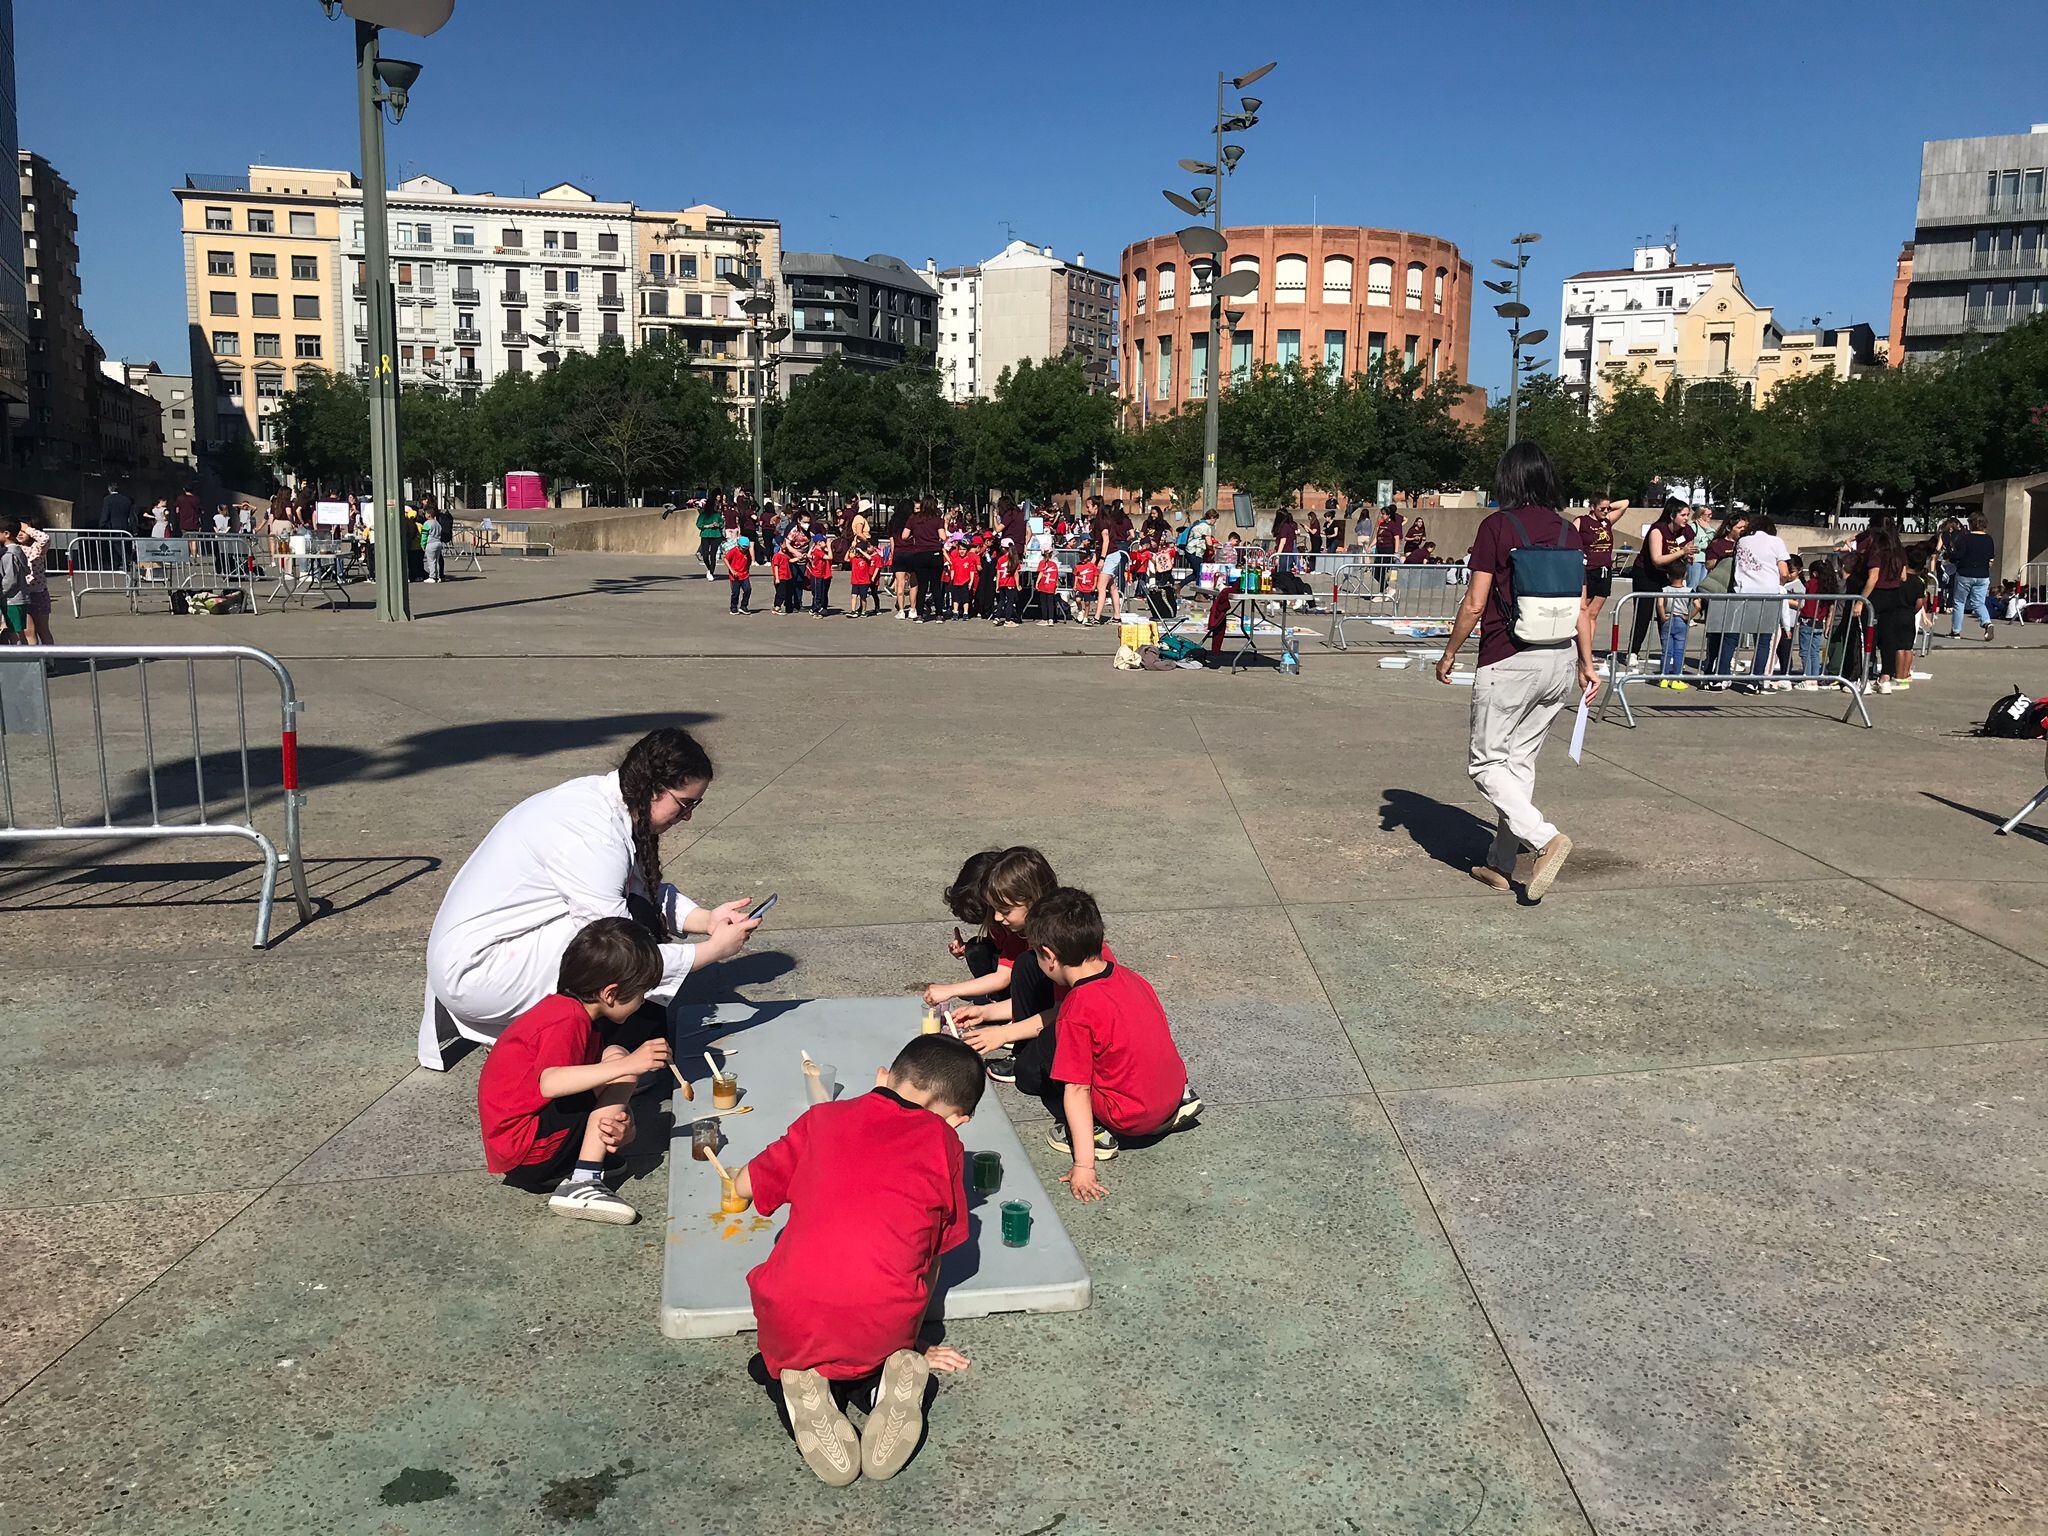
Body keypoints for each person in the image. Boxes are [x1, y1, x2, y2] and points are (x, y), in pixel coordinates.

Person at [419, 727, 760, 1068]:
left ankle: (606, 1040)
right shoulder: (593, 836)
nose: (688, 816)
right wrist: (712, 951)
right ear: (653, 788)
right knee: (619, 943)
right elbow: (620, 953)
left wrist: (707, 920)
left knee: (637, 916)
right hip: (480, 971)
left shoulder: (604, 800)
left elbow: (641, 888)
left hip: (478, 949)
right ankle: (586, 1049)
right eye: (685, 804)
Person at [731, 1033, 981, 1487]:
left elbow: (745, 1186)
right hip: (883, 1325)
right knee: (870, 1351)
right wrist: (914, 1338)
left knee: (771, 1364)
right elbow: (932, 1258)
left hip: (792, 1312)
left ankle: (803, 1385)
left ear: (884, 1076)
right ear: (957, 1120)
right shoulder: (946, 1144)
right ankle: (884, 1385)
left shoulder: (822, 1118)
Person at [1435, 442, 1595, 902]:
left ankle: (1545, 839)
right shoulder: (1569, 531)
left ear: (1508, 479)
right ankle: (1500, 864)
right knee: (1519, 763)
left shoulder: (1497, 527)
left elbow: (1475, 603)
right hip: (1559, 658)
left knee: (1486, 764)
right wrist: (1587, 663)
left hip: (1508, 658)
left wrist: (1450, 653)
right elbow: (1582, 608)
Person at [476, 918, 673, 1224]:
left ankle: (578, 1164)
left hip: (523, 1145)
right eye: (641, 994)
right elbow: (551, 1082)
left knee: (614, 1055)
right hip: (525, 1151)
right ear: (611, 994)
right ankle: (583, 1180)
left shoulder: (568, 1010)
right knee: (621, 1067)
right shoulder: (566, 1021)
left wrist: (622, 1119)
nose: (642, 1002)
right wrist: (629, 1066)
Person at [1027, 887, 1201, 1201]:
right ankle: (1174, 1103)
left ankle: (1094, 1134)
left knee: (1049, 1047)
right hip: (1170, 1095)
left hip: (1127, 1117)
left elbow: (1076, 1089)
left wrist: (1084, 1166)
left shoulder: (1077, 1009)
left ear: (1049, 956)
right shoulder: (1131, 978)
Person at [1619, 500, 1694, 668]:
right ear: (1672, 515)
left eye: (1688, 515)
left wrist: (1688, 556)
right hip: (1646, 574)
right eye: (1683, 515)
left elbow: (1686, 550)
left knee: (1667, 615)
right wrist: (1682, 552)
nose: (1686, 518)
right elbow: (1657, 559)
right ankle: (1633, 652)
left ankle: (1668, 653)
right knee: (1643, 614)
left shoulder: (1686, 531)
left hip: (1667, 575)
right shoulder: (1658, 530)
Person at [1732, 514, 1793, 691]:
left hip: (1743, 592)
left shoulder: (1742, 541)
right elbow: (1784, 571)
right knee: (1763, 641)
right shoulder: (1776, 542)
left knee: (1734, 637)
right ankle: (1755, 680)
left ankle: (1721, 677)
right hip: (1767, 594)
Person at [1856, 524, 1914, 693]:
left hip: (1876, 595)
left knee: (1868, 637)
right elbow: (1903, 576)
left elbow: (1873, 578)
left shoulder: (1877, 550)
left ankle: (1865, 677)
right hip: (1893, 595)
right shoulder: (1899, 551)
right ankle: (1885, 677)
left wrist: (1860, 601)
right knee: (1889, 637)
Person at [1948, 510, 1996, 642]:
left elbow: (1958, 555)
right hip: (1983, 575)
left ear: (1971, 524)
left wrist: (1950, 556)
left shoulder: (1966, 538)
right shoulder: (1989, 539)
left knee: (1959, 602)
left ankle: (1956, 631)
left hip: (1965, 573)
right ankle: (1987, 623)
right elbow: (1991, 558)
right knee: (1979, 603)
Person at [13, 511, 54, 645]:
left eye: (23, 531)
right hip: (22, 595)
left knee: (43, 630)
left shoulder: (37, 548)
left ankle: (49, 657)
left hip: (38, 593)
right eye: (18, 530)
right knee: (28, 631)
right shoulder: (15, 548)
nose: (20, 534)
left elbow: (45, 539)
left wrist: (28, 529)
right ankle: (35, 657)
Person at [1654, 567, 1696, 690]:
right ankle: (1677, 679)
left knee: (1666, 651)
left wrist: (1662, 616)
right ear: (1685, 574)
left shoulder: (1664, 589)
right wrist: (1688, 616)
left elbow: (1660, 604)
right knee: (1679, 651)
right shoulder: (1689, 591)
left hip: (1668, 618)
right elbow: (1698, 605)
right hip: (1681, 620)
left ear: (1668, 575)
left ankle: (1663, 678)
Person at [0, 516, 28, 644]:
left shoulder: (9, 555)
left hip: (12, 600)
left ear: (6, 534)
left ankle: (22, 655)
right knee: (16, 632)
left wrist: (1, 592)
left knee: (15, 634)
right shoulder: (18, 551)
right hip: (16, 599)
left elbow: (10, 579)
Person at [696, 495, 727, 582]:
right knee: (705, 555)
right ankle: (709, 569)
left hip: (716, 535)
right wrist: (708, 526)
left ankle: (711, 572)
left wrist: (718, 525)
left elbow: (722, 523)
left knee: (713, 555)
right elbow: (699, 524)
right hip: (705, 535)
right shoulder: (703, 515)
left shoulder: (717, 515)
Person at [846, 536, 879, 618]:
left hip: (864, 582)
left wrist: (861, 551)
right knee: (854, 596)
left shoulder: (866, 560)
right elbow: (846, 559)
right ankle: (853, 611)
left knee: (863, 597)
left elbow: (870, 558)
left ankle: (863, 611)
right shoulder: (854, 559)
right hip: (855, 581)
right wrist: (850, 549)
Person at [1032, 540, 1064, 625]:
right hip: (1052, 584)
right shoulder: (1054, 564)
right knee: (1050, 603)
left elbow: (1041, 573)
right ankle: (1051, 619)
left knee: (1043, 603)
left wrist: (1037, 582)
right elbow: (1056, 575)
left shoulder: (1042, 563)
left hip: (1044, 584)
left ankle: (1045, 619)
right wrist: (1056, 584)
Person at [992, 540, 1021, 626]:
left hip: (1001, 583)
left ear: (1003, 548)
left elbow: (998, 573)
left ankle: (997, 617)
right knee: (1010, 602)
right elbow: (1016, 574)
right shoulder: (1014, 559)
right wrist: (1018, 585)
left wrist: (997, 585)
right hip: (1010, 583)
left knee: (1001, 601)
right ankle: (1008, 620)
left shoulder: (1000, 559)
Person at [724, 534, 753, 614]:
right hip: (735, 576)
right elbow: (726, 559)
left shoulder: (747, 552)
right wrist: (732, 570)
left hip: (744, 575)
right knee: (735, 593)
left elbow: (749, 561)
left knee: (748, 590)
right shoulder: (733, 551)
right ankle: (733, 607)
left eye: (746, 548)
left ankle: (744, 606)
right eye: (743, 548)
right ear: (738, 545)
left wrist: (747, 570)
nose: (744, 550)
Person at [807, 530, 833, 618]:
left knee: (821, 592)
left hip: (821, 575)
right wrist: (829, 546)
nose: (825, 543)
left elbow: (809, 556)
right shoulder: (818, 551)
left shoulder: (817, 550)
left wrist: (812, 547)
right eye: (823, 541)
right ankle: (815, 609)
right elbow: (830, 557)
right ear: (819, 542)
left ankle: (817, 608)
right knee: (817, 594)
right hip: (816, 575)